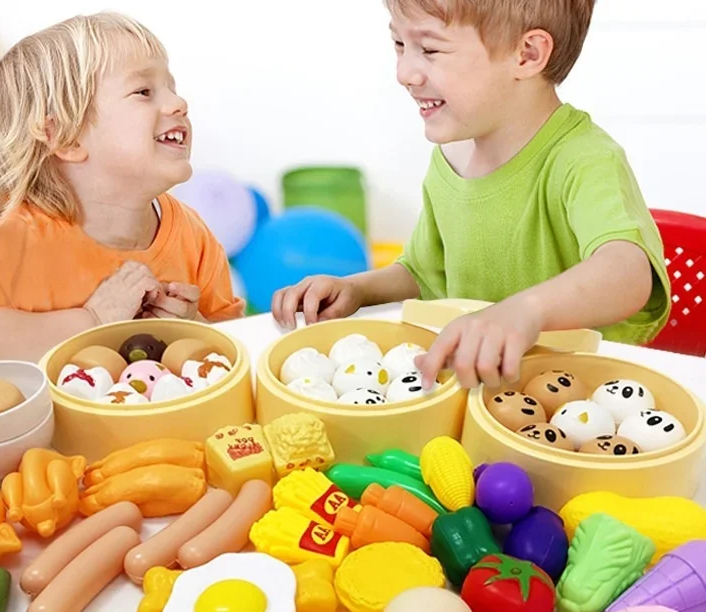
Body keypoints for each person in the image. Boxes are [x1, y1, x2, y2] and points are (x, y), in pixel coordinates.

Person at [272, 0, 670, 389]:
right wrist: (357, 289)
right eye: (399, 44)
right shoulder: (449, 157)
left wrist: (525, 312)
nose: (404, 72)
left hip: (578, 399)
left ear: (527, 54)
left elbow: (627, 274)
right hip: (476, 388)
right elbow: (424, 272)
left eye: (429, 49)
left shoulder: (584, 159)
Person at [0, 12, 244, 372]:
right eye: (144, 91)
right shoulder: (26, 241)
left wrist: (194, 327)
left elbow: (237, 344)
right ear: (66, 137)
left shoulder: (193, 236)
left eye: (171, 87)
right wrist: (93, 319)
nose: (178, 103)